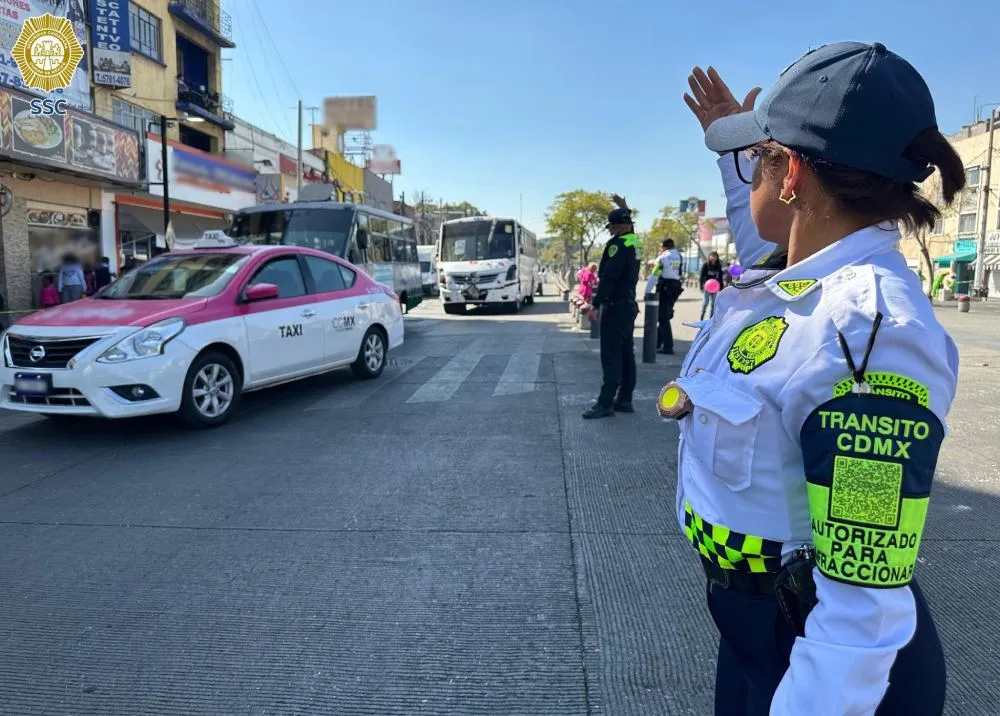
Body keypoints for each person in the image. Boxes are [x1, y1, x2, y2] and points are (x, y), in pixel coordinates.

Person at [670, 44, 961, 715]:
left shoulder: (867, 332)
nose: (750, 183)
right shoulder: (807, 275)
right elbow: (763, 232)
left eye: (758, 161)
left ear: (791, 172)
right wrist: (730, 151)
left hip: (822, 662)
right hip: (755, 632)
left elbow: (863, 599)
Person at [582, 194, 641, 419]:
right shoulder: (634, 241)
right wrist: (624, 208)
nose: (609, 230)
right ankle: (625, 399)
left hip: (615, 307)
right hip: (628, 306)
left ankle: (605, 403)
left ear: (617, 226)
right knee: (627, 354)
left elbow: (609, 277)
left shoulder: (617, 245)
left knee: (611, 355)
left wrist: (595, 304)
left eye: (611, 226)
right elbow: (630, 225)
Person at [654, 239, 684, 354]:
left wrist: (648, 290)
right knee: (664, 314)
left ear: (664, 246)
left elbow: (655, 274)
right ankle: (657, 343)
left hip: (665, 287)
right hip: (675, 288)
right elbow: (679, 272)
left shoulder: (663, 257)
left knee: (663, 317)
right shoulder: (679, 256)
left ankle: (667, 346)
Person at [699, 251, 725, 319]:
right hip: (707, 287)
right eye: (712, 256)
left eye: (715, 256)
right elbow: (701, 276)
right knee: (706, 302)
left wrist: (721, 288)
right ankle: (702, 313)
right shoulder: (705, 265)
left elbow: (720, 278)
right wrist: (701, 286)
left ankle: (711, 317)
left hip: (715, 288)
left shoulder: (718, 266)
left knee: (714, 303)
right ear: (709, 257)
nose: (713, 257)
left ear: (717, 258)